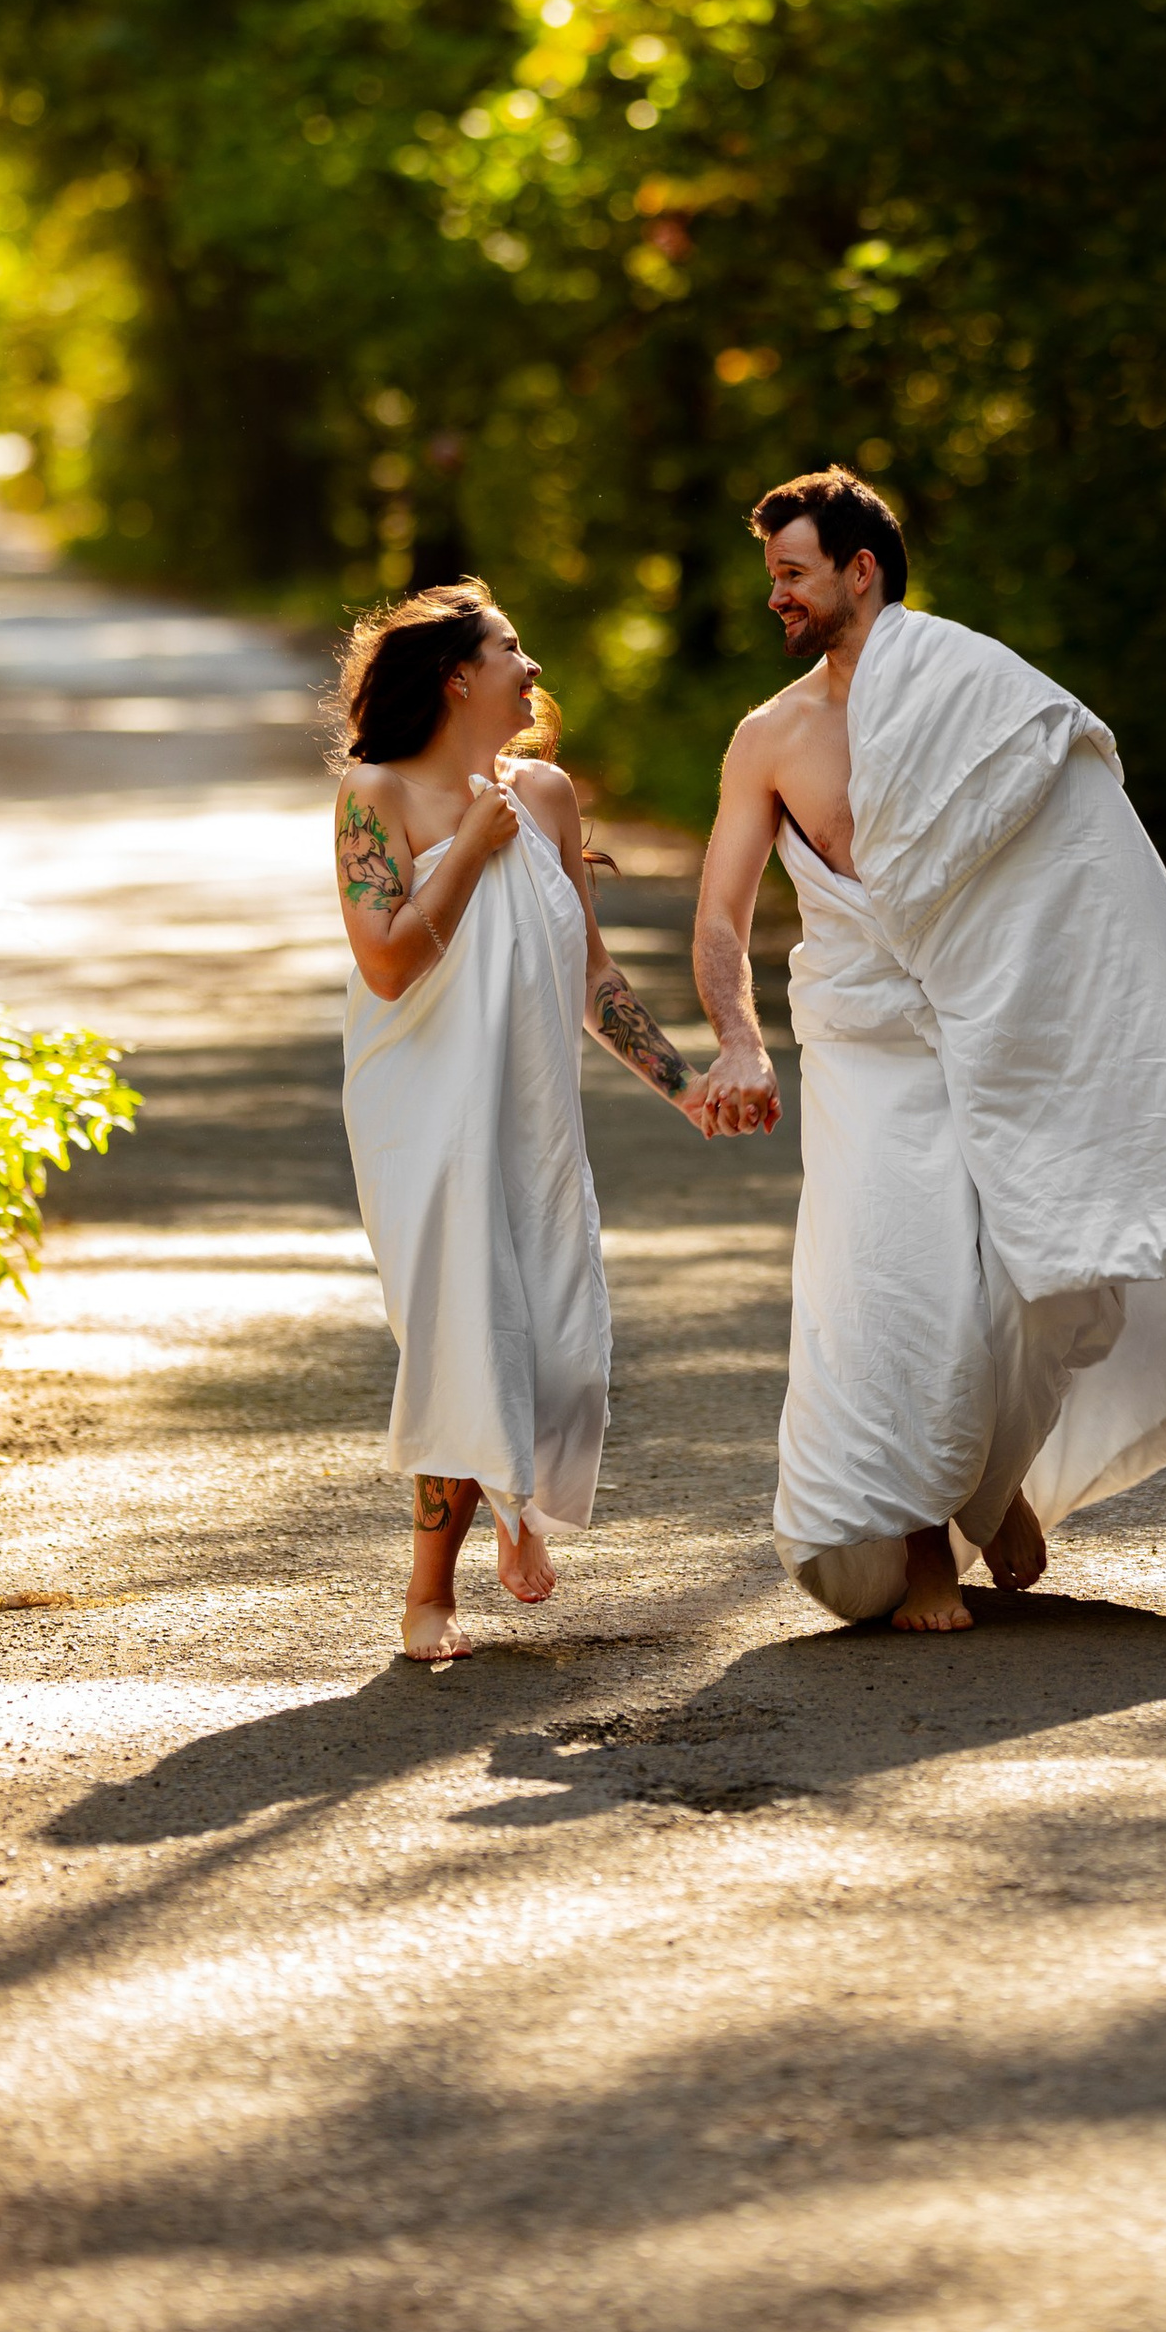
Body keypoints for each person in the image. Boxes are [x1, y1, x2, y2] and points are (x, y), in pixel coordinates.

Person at [692, 466, 1166, 1633]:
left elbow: (1079, 872)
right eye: (772, 578)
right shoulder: (768, 736)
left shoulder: (977, 688)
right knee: (897, 1287)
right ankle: (919, 1556)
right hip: (865, 1044)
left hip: (992, 1024)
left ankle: (989, 1483)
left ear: (862, 572)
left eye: (793, 574)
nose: (778, 597)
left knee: (1024, 1284)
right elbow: (719, 916)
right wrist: (739, 1042)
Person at [336, 582, 714, 1662]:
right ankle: (430, 1591)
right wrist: (466, 845)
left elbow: (593, 975)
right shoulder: (375, 796)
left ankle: (516, 1499)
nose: (534, 665)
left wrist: (684, 1086)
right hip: (420, 1109)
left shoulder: (546, 796)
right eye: (512, 649)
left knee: (562, 1342)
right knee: (463, 1328)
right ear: (459, 677)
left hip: (531, 1112)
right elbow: (390, 962)